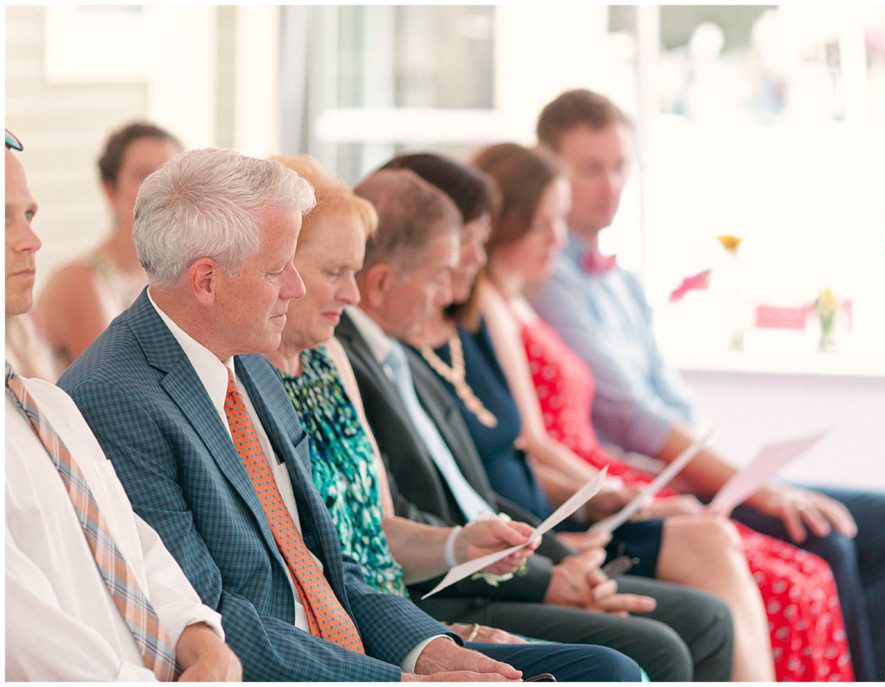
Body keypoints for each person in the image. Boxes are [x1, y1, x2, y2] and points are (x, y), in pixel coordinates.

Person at [58, 147, 600, 682]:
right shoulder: (115, 398)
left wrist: (428, 648)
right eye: (277, 269)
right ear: (205, 281)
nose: (295, 288)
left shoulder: (249, 362)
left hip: (345, 650)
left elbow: (328, 558)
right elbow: (207, 617)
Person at [392, 149, 854, 682]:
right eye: (542, 225)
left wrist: (610, 503)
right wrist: (571, 535)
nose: (556, 240)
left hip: (566, 503)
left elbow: (643, 403)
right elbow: (543, 445)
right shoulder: (469, 319)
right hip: (544, 515)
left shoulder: (471, 322)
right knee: (751, 567)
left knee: (801, 561)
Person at [531, 88, 885, 681]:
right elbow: (632, 417)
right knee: (826, 540)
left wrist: (750, 478)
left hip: (684, 466)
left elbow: (673, 400)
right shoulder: (548, 278)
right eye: (590, 169)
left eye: (619, 167)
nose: (609, 185)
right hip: (638, 478)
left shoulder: (622, 282)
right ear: (550, 169)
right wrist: (757, 491)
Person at [337, 167, 735, 681]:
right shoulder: (353, 361)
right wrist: (548, 575)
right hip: (444, 591)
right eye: (440, 275)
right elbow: (406, 521)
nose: (446, 295)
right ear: (383, 282)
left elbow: (474, 496)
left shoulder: (400, 355)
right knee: (666, 643)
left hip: (499, 562)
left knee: (704, 618)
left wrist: (560, 558)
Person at [261, 155, 644, 681]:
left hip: (402, 613)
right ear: (276, 269)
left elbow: (375, 527)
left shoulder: (332, 359)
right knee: (613, 667)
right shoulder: (250, 381)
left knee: (619, 665)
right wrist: (435, 636)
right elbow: (315, 574)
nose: (350, 295)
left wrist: (459, 545)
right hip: (373, 632)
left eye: (352, 272)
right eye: (335, 273)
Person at [5, 130, 241, 681]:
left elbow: (133, 544)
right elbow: (26, 648)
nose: (31, 241)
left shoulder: (44, 404)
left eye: (30, 216)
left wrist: (203, 641)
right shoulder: (89, 347)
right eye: (4, 219)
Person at [37, 122, 183, 372]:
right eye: (143, 177)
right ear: (110, 188)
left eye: (171, 176)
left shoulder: (168, 278)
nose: (160, 191)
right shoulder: (80, 282)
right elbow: (117, 381)